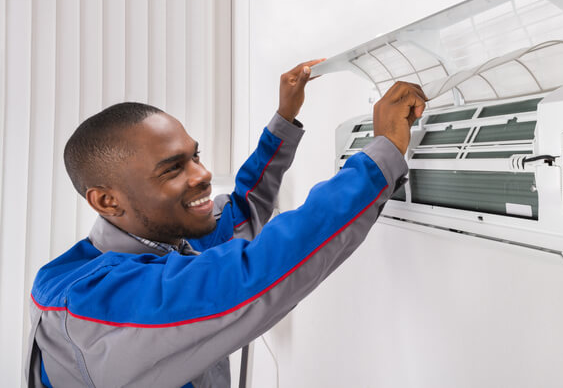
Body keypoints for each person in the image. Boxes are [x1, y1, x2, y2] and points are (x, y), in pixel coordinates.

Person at [24, 59, 428, 387]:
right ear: (108, 200)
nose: (202, 174)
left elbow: (241, 210)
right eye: (172, 169)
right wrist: (382, 154)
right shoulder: (87, 302)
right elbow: (256, 272)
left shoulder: (170, 240)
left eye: (194, 155)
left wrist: (285, 119)